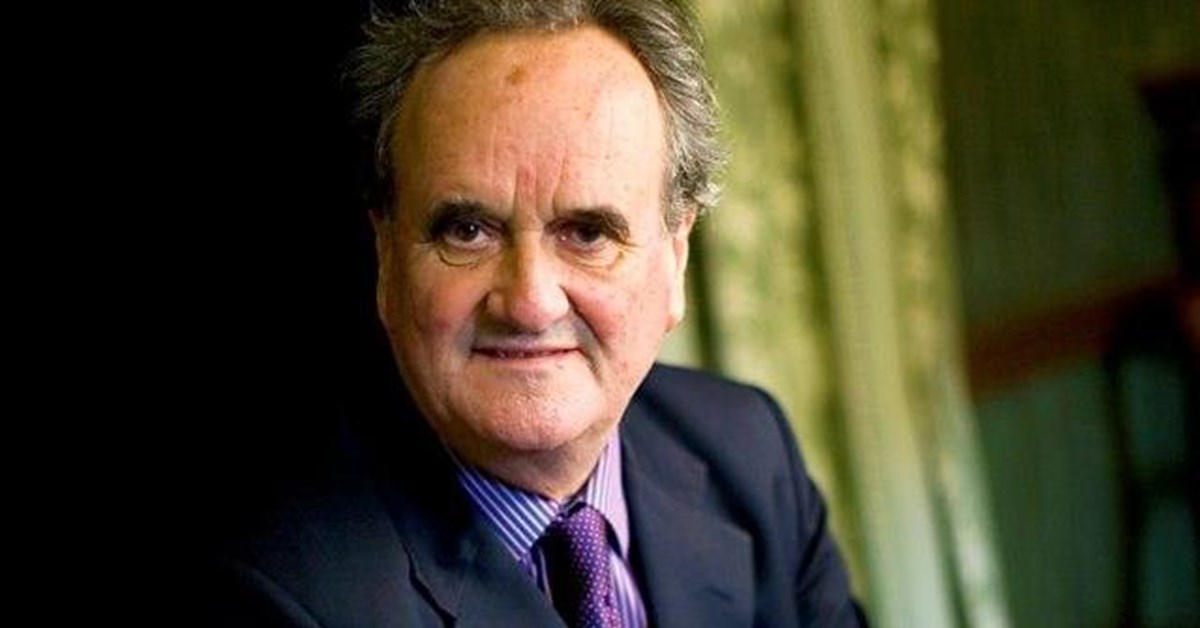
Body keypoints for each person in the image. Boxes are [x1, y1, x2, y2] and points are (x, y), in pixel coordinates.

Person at [204, 1, 866, 626]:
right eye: (467, 231)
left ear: (674, 257)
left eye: (588, 233)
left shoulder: (749, 452)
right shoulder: (280, 592)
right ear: (387, 257)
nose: (529, 302)